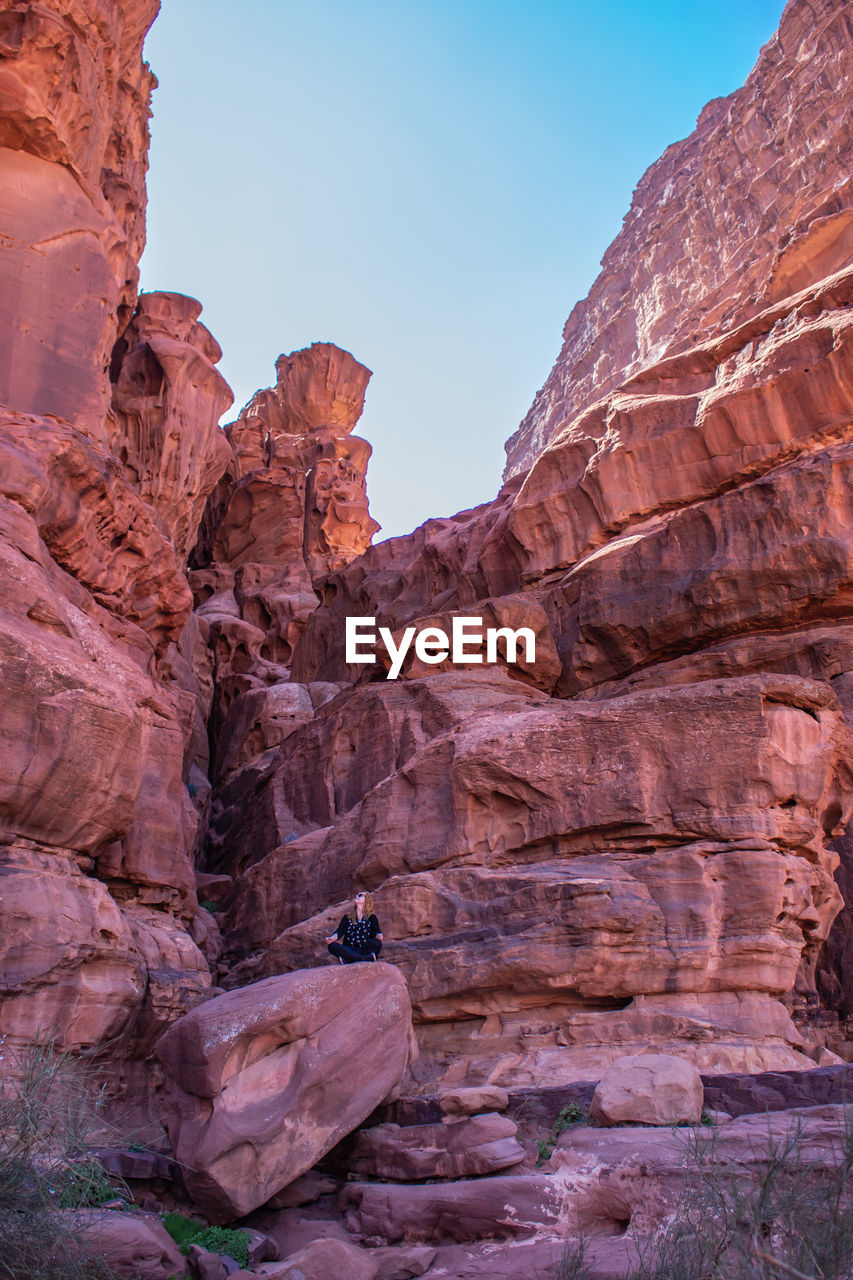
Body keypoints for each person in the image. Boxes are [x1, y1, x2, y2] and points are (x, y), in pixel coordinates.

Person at [326, 890, 383, 964]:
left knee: (377, 944)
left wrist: (379, 936)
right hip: (349, 948)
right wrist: (332, 938)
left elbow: (377, 932)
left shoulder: (372, 917)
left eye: (360, 895)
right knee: (332, 946)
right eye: (356, 895)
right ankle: (363, 958)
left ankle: (349, 959)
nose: (357, 896)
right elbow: (340, 932)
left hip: (364, 948)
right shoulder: (347, 917)